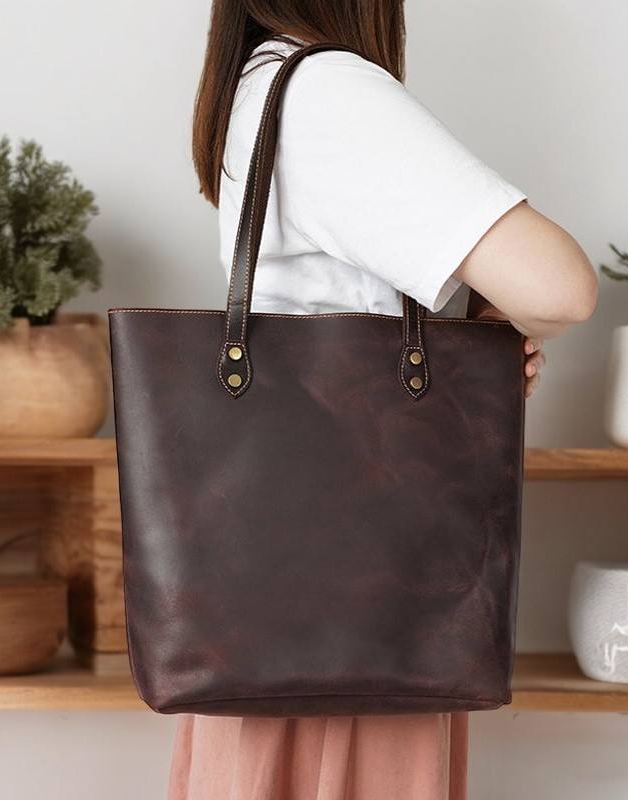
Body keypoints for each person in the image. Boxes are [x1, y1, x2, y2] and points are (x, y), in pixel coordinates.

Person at [169, 2, 597, 799]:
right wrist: (495, 326)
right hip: (363, 631)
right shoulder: (328, 89)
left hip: (271, 624)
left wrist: (474, 336)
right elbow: (561, 288)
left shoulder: (260, 84)